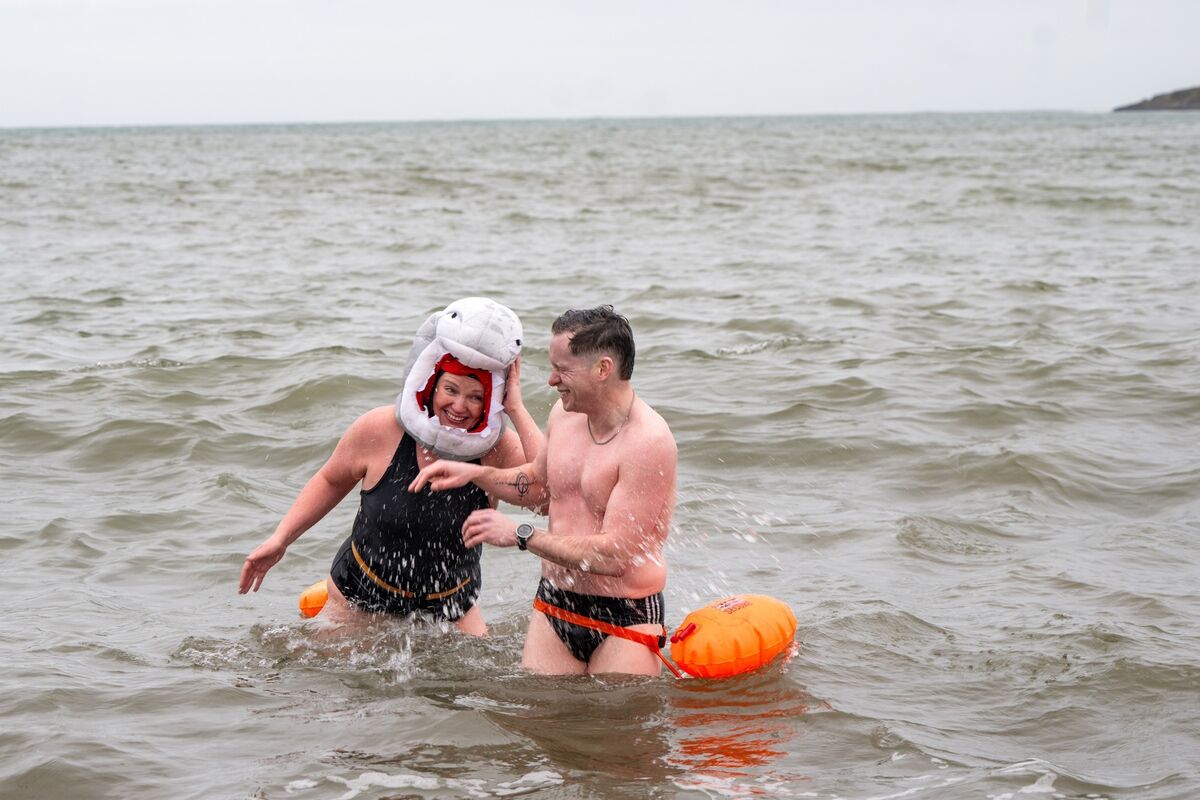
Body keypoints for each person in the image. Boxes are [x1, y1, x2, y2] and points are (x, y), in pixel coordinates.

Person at [238, 298, 543, 636]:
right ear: (430, 384)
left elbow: (547, 494)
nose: (459, 406)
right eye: (450, 390)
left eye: (475, 397)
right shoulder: (379, 429)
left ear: (491, 401)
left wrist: (515, 407)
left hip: (451, 606)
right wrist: (281, 539)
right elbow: (330, 481)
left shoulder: (496, 448)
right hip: (360, 596)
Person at [409, 306, 677, 675]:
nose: (552, 380)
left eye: (562, 369)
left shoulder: (648, 442)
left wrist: (521, 534)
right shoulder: (564, 415)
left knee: (619, 728)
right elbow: (538, 487)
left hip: (624, 615)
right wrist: (473, 474)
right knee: (542, 726)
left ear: (603, 369)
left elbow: (614, 557)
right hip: (555, 603)